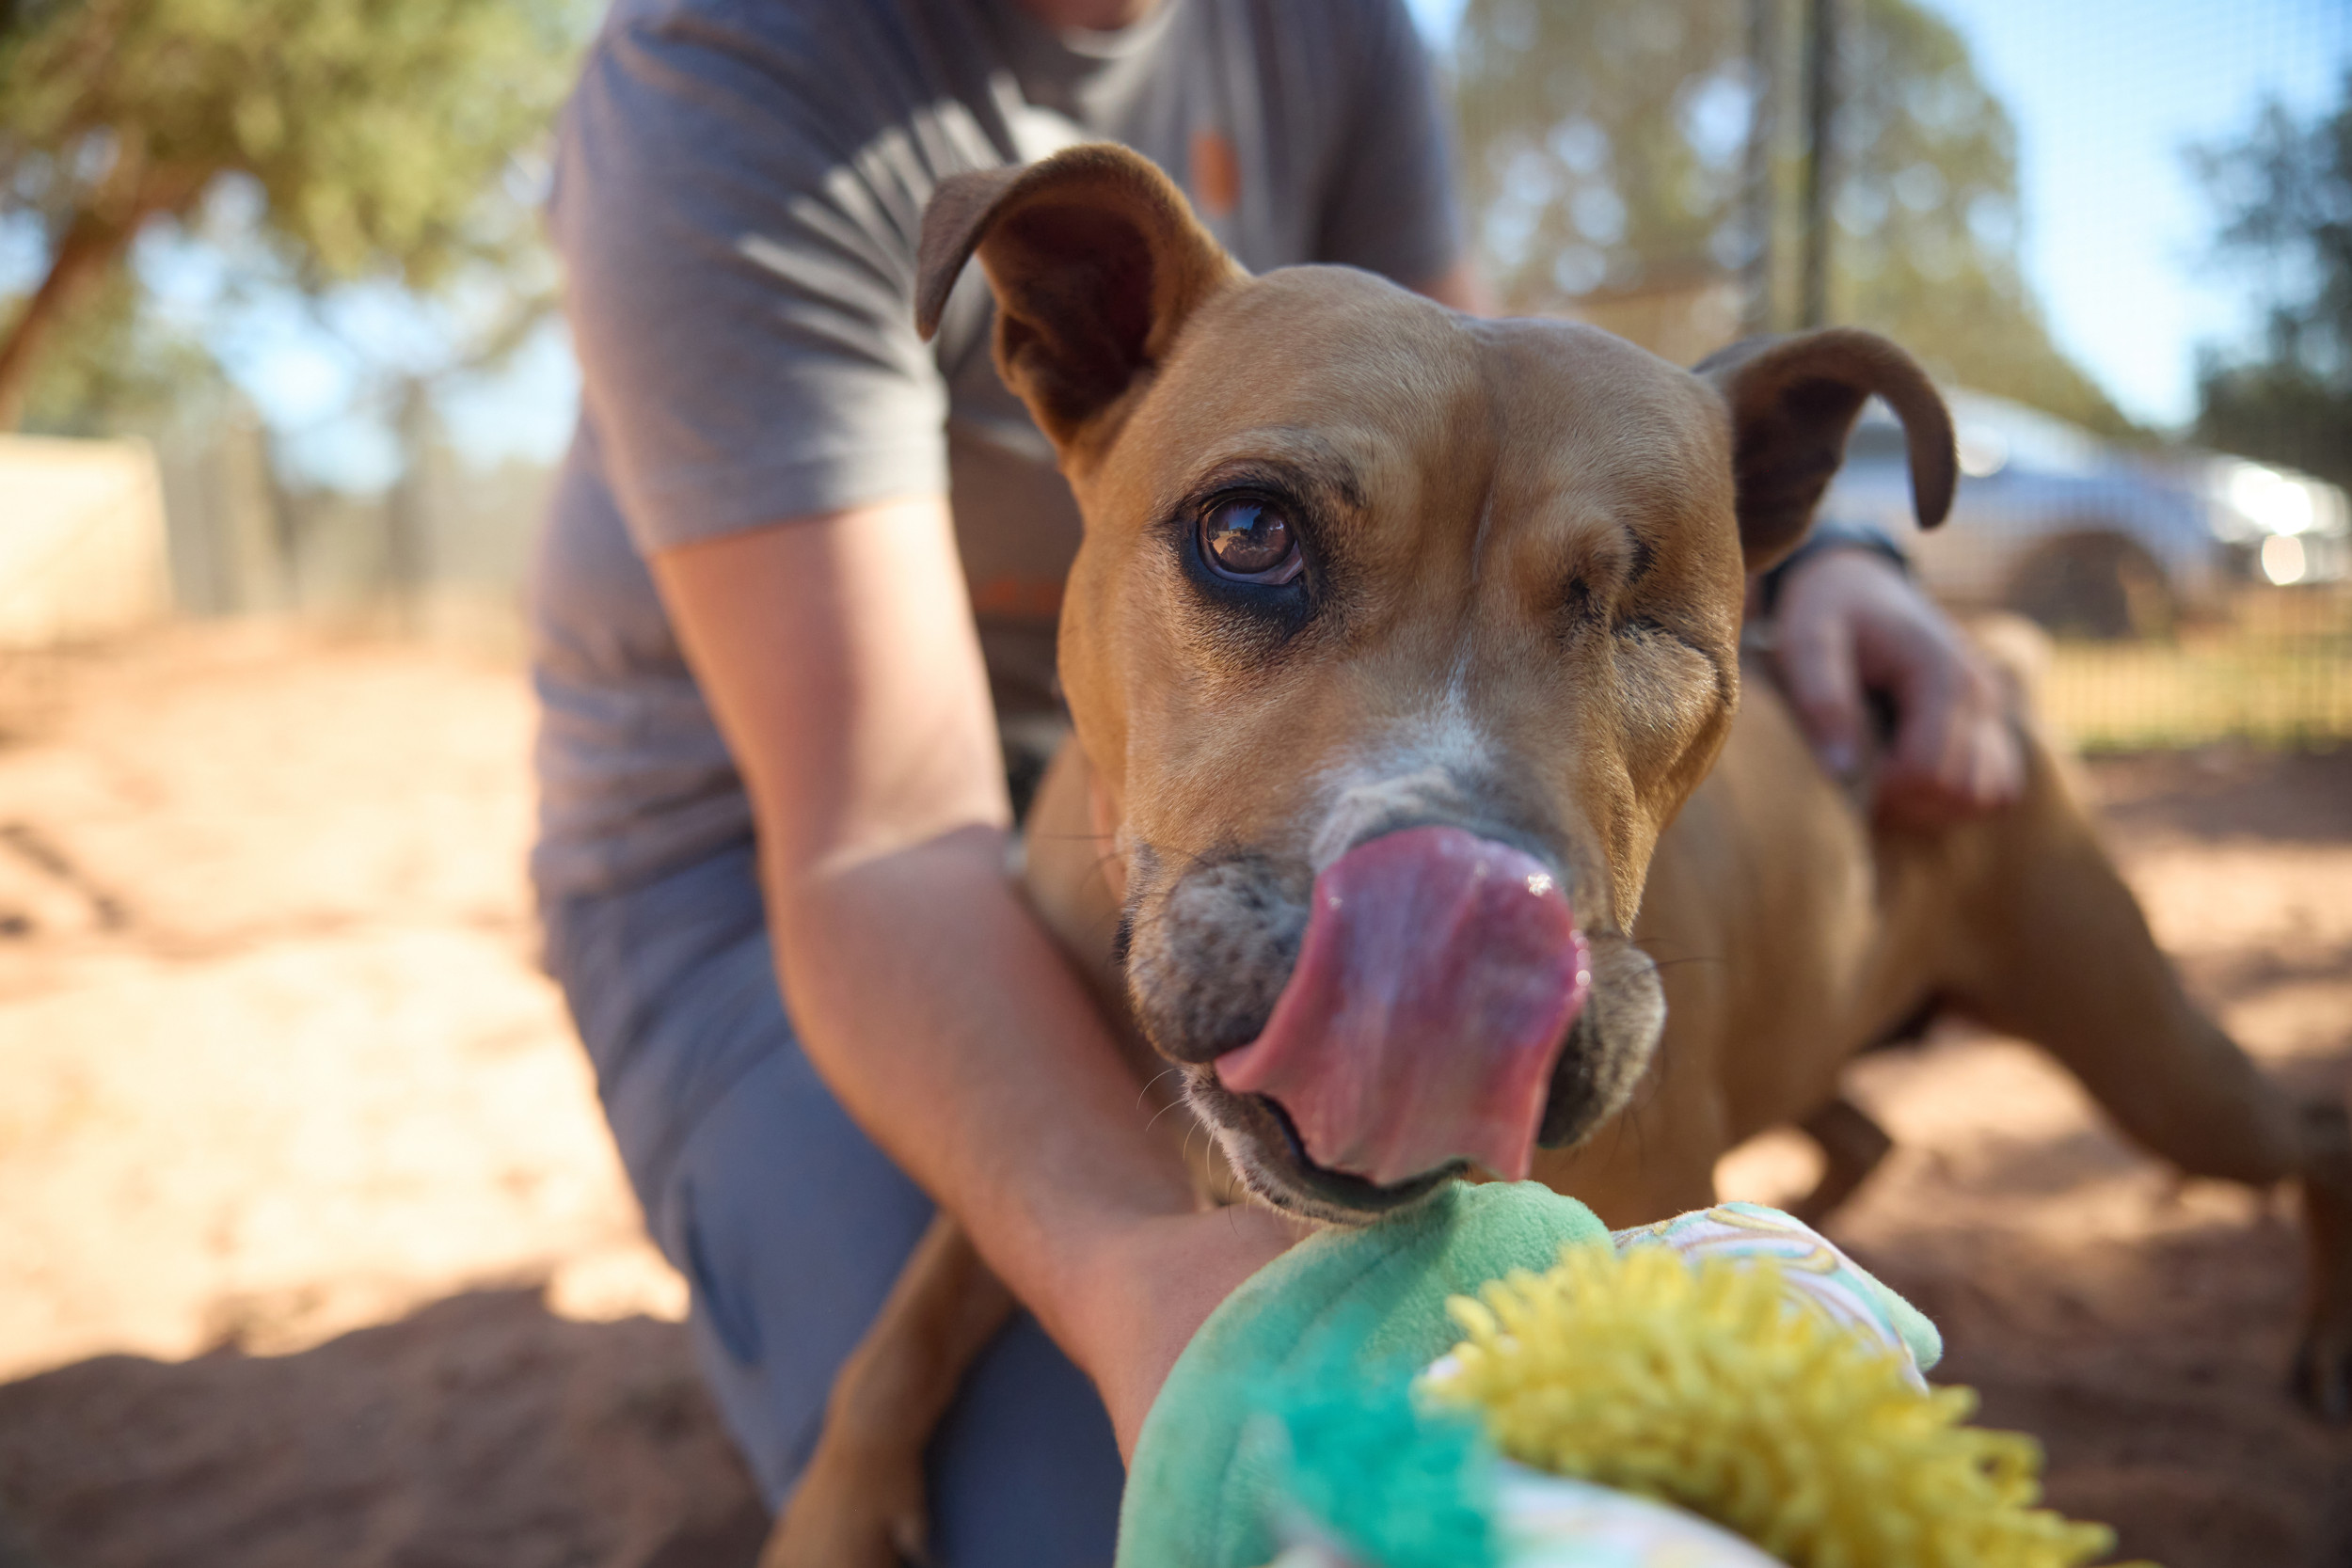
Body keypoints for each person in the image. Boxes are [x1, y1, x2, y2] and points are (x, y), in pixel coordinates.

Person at [527, 1, 2024, 1561]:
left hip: (1106, 749)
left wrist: (1830, 547)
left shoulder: (1335, 29)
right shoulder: (735, 75)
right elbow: (883, 837)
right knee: (1102, 1523)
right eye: (1260, 538)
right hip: (767, 835)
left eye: (1629, 625)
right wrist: (1116, 1284)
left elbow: (1495, 409)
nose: (1436, 822)